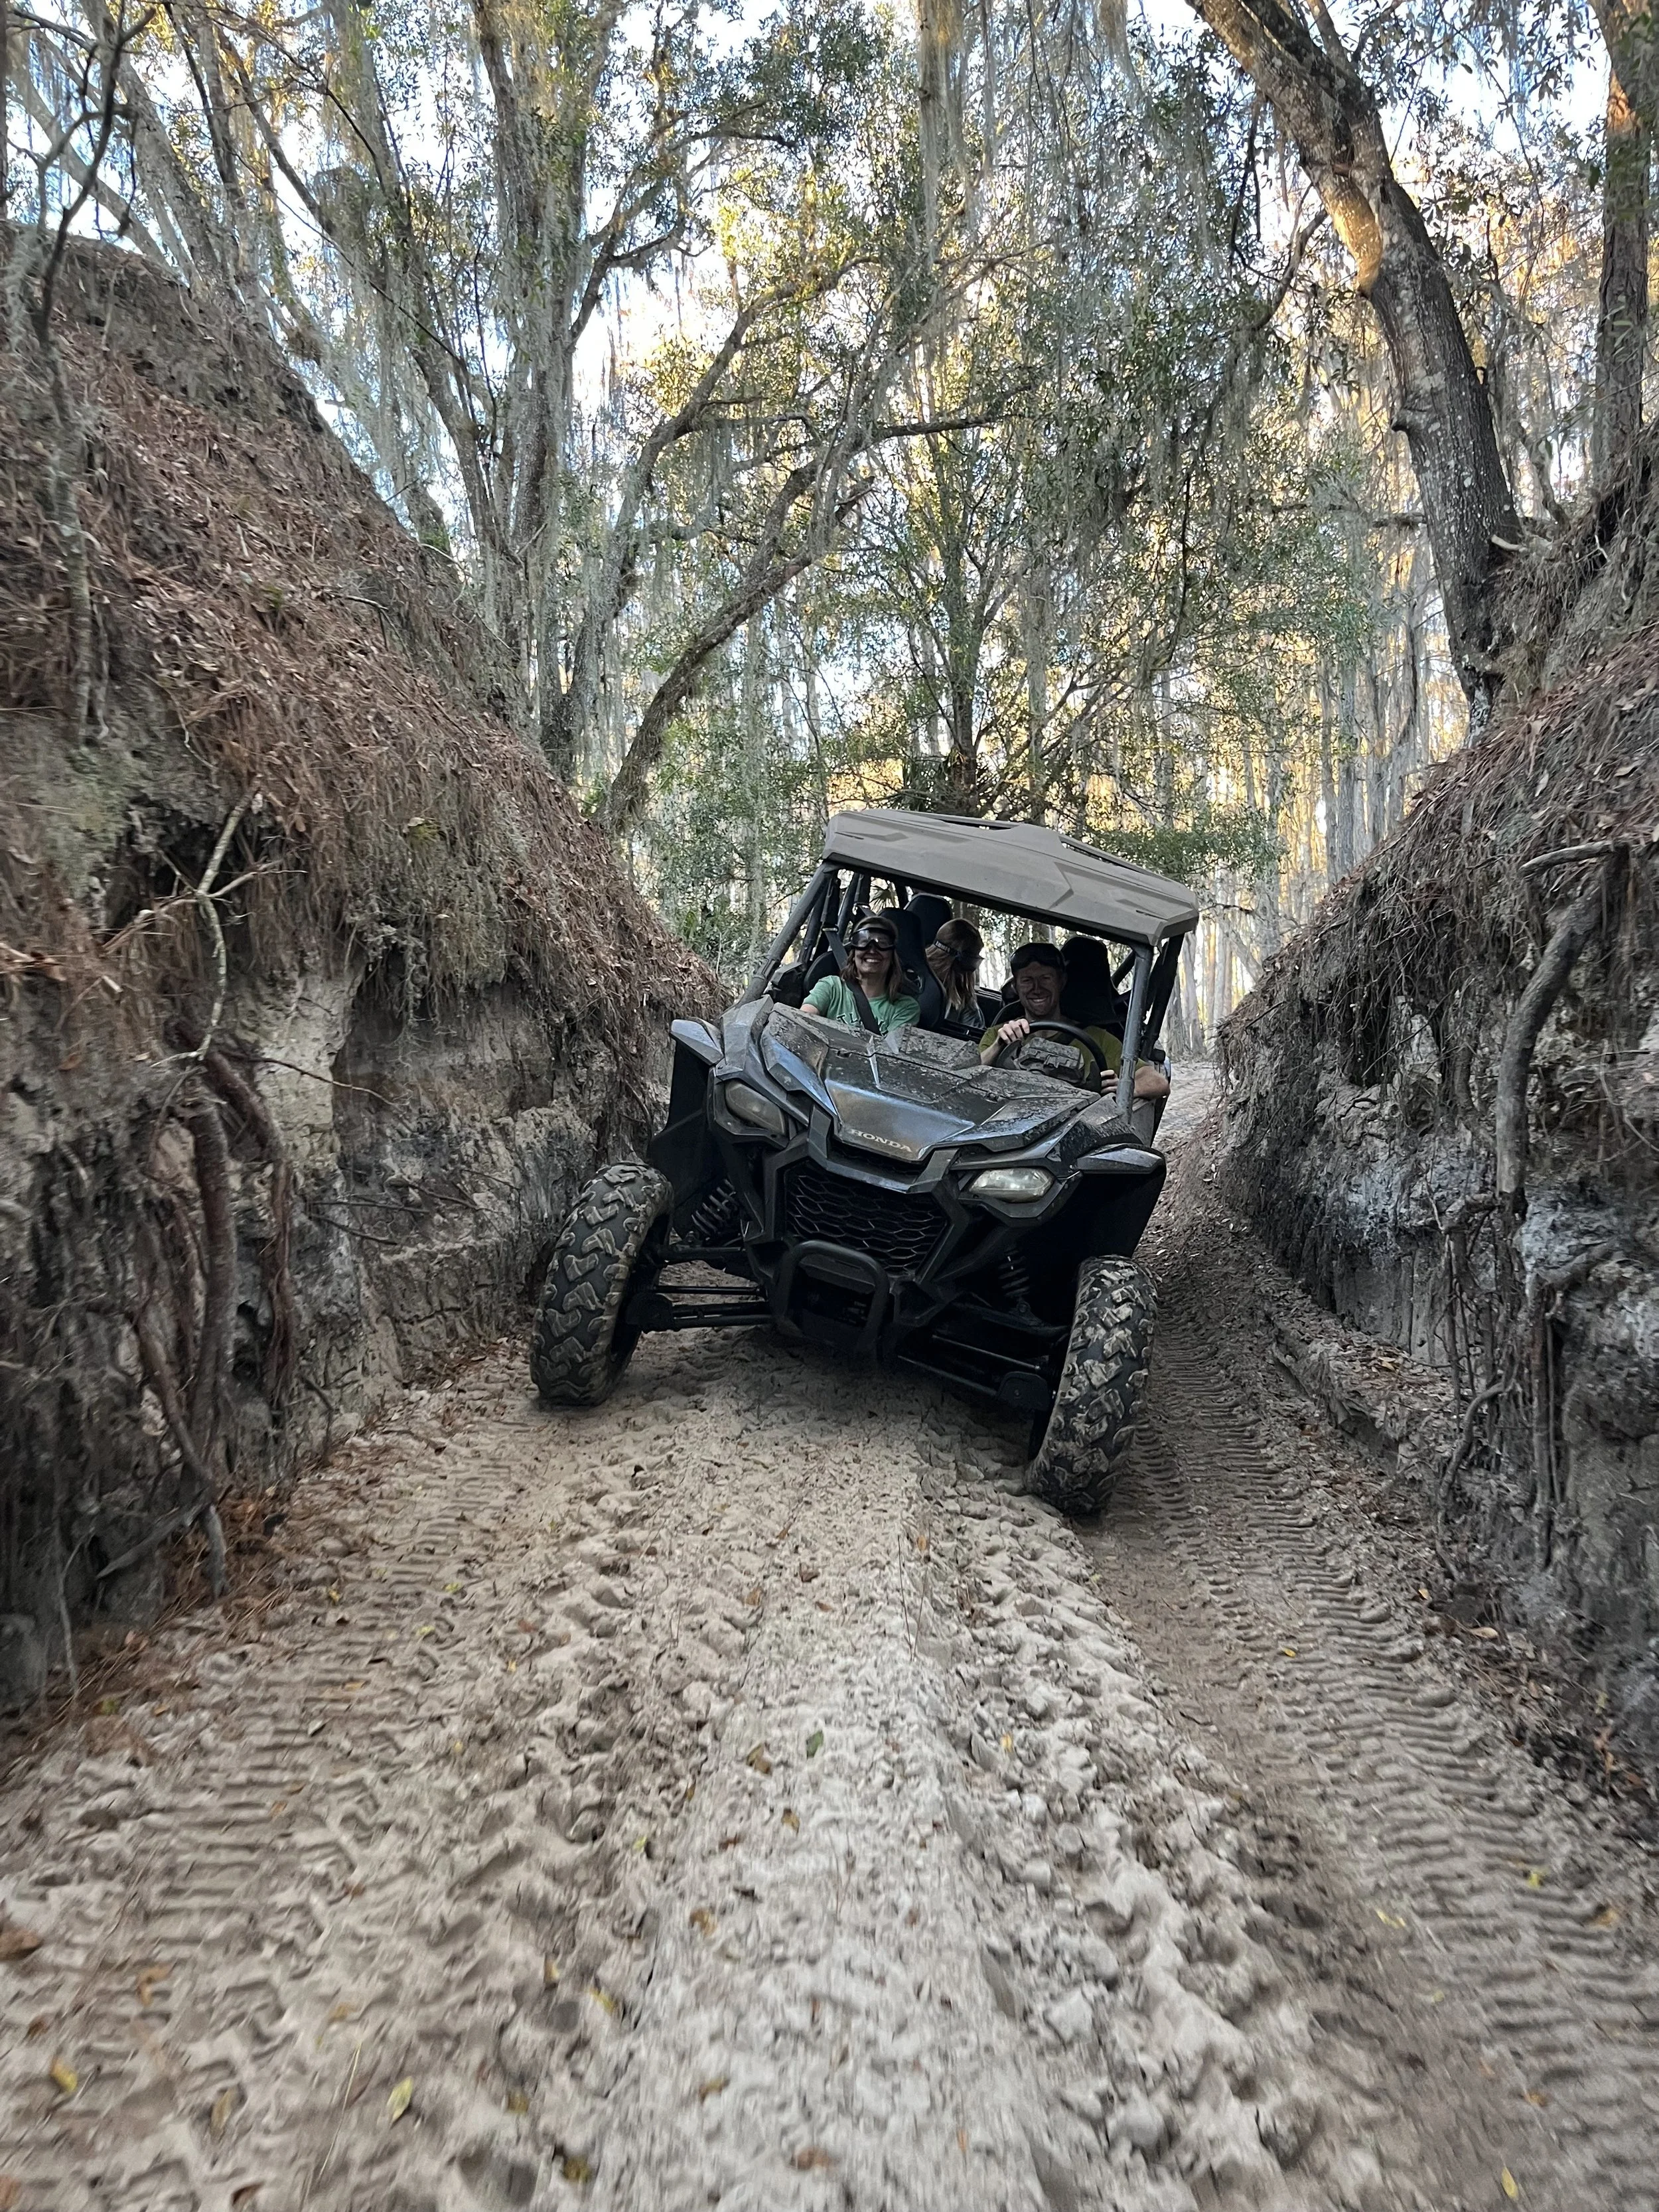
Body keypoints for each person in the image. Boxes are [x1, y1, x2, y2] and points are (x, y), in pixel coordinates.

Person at [981, 941, 1169, 1102]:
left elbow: (1158, 1082)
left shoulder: (1096, 1039)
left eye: (1046, 978)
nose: (1037, 989)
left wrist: (1126, 1089)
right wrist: (999, 1045)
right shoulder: (1000, 1034)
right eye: (1027, 981)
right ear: (1015, 987)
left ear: (1061, 982)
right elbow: (967, 1073)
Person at [804, 913, 920, 1033]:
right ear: (854, 954)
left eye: (882, 943)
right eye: (863, 942)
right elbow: (803, 1022)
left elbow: (890, 1051)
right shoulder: (831, 987)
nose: (872, 950)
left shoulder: (906, 1008)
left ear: (892, 956)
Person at [926, 917, 985, 1032]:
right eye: (972, 959)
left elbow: (974, 1036)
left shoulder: (963, 998)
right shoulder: (904, 980)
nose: (971, 971)